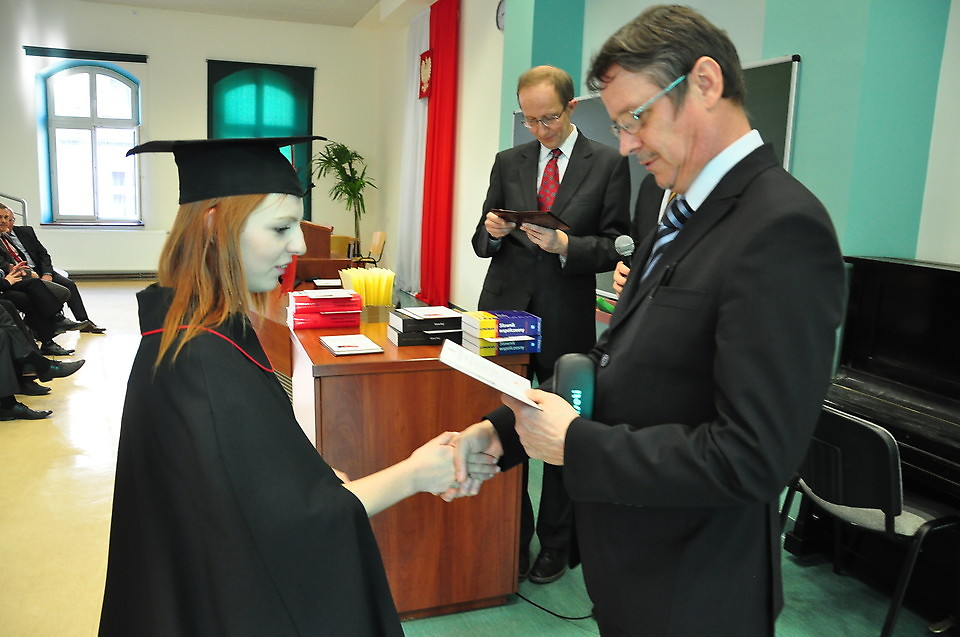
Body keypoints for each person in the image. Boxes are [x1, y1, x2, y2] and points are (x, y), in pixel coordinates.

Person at [452, 6, 846, 636]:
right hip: (634, 568)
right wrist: (506, 431)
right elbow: (617, 359)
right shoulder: (672, 205)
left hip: (693, 588)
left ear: (705, 83)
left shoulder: (782, 228)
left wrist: (576, 445)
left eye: (636, 118)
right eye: (618, 125)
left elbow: (752, 457)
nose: (627, 145)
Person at [99, 136, 458, 637]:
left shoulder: (191, 327)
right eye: (281, 228)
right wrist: (416, 473)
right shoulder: (201, 361)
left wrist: (308, 473)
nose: (300, 246)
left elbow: (241, 476)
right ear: (214, 226)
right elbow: (295, 525)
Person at [471, 65, 630, 584]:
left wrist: (567, 246)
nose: (540, 129)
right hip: (504, 313)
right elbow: (481, 242)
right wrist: (493, 231)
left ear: (572, 107)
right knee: (504, 424)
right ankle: (511, 538)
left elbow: (617, 244)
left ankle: (555, 543)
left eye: (549, 118)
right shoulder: (508, 161)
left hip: (566, 316)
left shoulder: (607, 163)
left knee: (561, 430)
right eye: (530, 120)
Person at [0, 204, 106, 333]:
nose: (6, 222)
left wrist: (47, 273)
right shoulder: (3, 238)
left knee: (69, 285)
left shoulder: (26, 231)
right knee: (47, 292)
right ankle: (51, 323)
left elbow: (43, 254)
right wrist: (27, 273)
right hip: (23, 274)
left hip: (39, 269)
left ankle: (84, 321)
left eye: (9, 219)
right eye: (2, 218)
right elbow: (8, 264)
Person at [0, 259, 80, 355]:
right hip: (3, 286)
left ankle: (57, 318)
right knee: (27, 300)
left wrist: (12, 270)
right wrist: (6, 281)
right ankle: (47, 342)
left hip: (6, 281)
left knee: (35, 283)